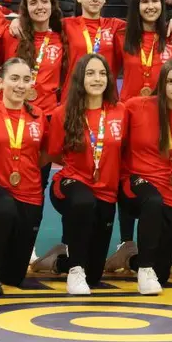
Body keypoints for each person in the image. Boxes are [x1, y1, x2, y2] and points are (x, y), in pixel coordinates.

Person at [32, 54, 125, 294]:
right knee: (84, 202)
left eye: (102, 73)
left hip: (106, 190)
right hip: (70, 184)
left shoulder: (120, 112)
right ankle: (74, 271)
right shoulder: (64, 113)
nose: (97, 78)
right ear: (80, 78)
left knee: (94, 274)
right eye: (91, 73)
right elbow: (54, 153)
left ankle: (56, 261)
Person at [113, 58, 172, 294]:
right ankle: (144, 269)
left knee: (164, 273)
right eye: (170, 81)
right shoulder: (135, 106)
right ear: (162, 83)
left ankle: (129, 259)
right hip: (133, 181)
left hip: (169, 187)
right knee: (152, 201)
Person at [0, 57, 49, 296]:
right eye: (14, 79)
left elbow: (44, 154)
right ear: (0, 83)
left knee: (14, 277)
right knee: (4, 209)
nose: (20, 85)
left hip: (30, 190)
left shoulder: (39, 115)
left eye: (26, 79)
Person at [116, 0, 172, 100]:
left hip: (162, 110)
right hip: (129, 110)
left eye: (155, 1)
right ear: (136, 6)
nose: (150, 7)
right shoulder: (121, 35)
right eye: (144, 2)